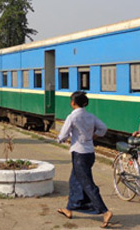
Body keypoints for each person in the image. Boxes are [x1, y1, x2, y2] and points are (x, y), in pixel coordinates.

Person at [56, 91, 113, 228]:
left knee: (87, 183)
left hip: (79, 153)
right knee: (74, 180)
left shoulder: (72, 117)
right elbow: (103, 128)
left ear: (73, 103)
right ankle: (69, 209)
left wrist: (60, 140)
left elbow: (63, 134)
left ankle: (105, 211)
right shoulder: (90, 116)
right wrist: (95, 136)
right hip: (89, 153)